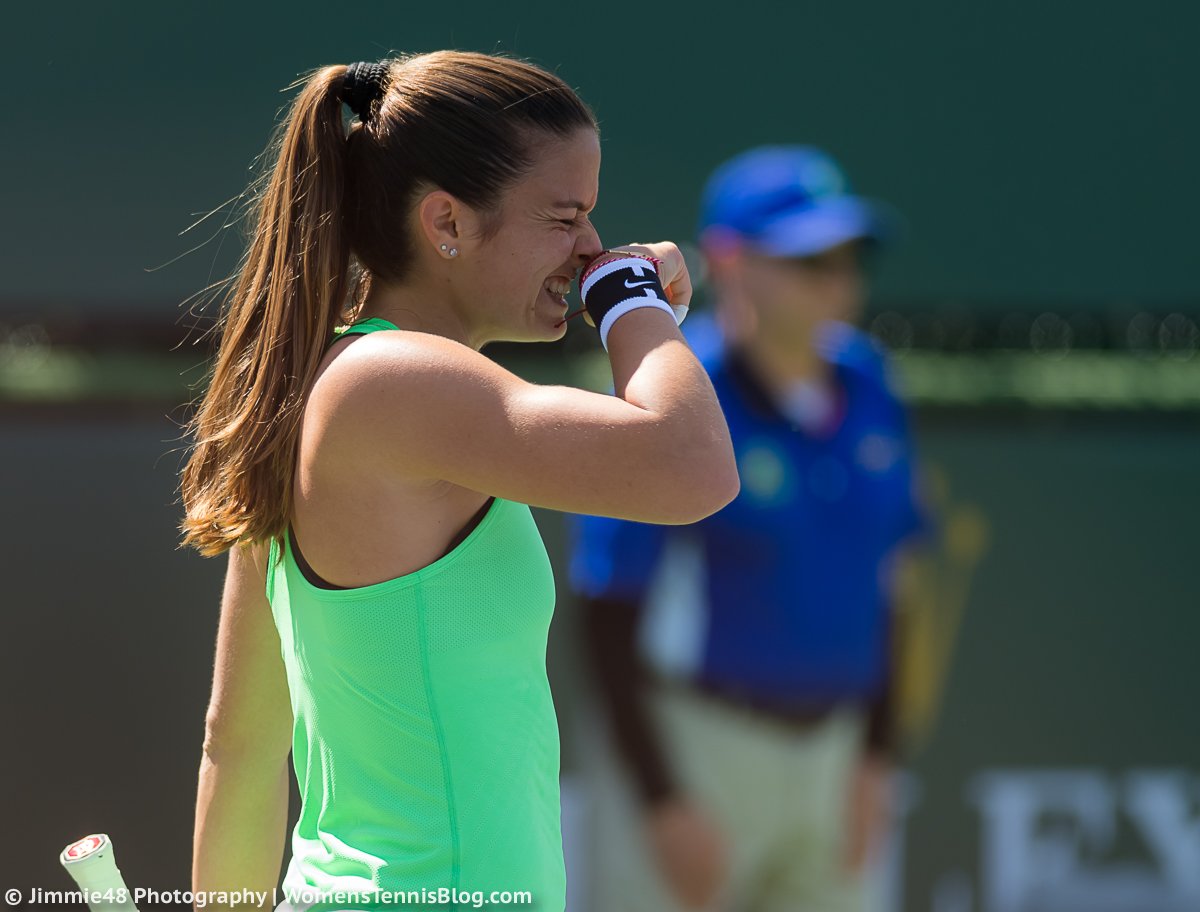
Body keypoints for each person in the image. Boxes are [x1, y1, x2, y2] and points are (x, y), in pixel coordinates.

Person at [181, 52, 739, 912]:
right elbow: (691, 465)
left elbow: (239, 744)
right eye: (565, 217)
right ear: (447, 221)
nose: (592, 247)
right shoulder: (393, 382)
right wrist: (634, 304)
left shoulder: (331, 384)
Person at [569, 145, 928, 912]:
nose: (838, 277)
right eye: (808, 257)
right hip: (696, 750)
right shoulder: (669, 393)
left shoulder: (871, 383)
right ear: (729, 261)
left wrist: (876, 759)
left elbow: (895, 585)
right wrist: (662, 802)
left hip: (836, 750)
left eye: (848, 255)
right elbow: (606, 613)